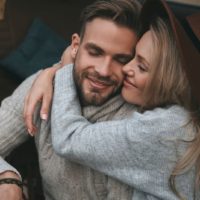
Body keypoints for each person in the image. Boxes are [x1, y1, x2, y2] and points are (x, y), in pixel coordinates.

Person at [24, 0, 200, 199]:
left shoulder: (169, 128)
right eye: (132, 58)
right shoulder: (179, 121)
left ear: (171, 79)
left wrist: (65, 68)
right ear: (76, 44)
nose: (125, 69)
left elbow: (69, 138)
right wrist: (51, 72)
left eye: (140, 66)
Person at [0, 0, 141, 199]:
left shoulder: (135, 122)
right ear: (75, 46)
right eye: (95, 52)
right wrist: (7, 176)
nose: (103, 70)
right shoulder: (43, 86)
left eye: (121, 59)